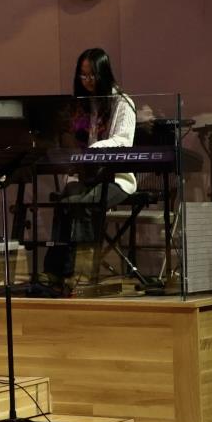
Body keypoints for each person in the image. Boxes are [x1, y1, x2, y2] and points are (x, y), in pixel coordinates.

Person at [41, 48, 137, 293]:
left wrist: (92, 151)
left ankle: (83, 273)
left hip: (117, 178)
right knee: (65, 202)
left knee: (85, 204)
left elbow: (123, 140)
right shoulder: (81, 106)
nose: (87, 81)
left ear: (104, 74)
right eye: (83, 76)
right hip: (85, 175)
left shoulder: (122, 102)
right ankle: (55, 273)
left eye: (92, 75)